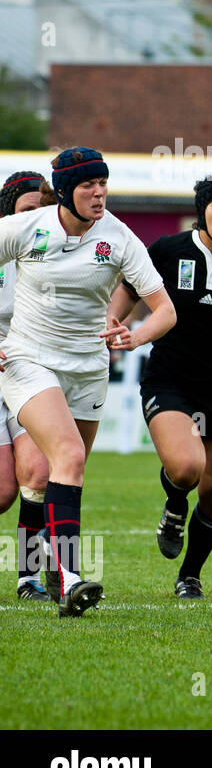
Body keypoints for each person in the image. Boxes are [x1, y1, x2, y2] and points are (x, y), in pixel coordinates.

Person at [0, 147, 176, 617]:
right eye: (87, 186)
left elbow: (165, 311)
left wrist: (134, 336)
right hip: (28, 358)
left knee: (57, 474)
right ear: (63, 192)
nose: (99, 194)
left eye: (103, 184)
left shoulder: (119, 237)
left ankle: (46, 568)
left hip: (90, 367)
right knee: (66, 457)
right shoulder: (23, 228)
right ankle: (72, 574)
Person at [108, 174, 212, 600]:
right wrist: (112, 324)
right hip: (170, 379)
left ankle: (190, 575)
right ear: (203, 209)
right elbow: (129, 290)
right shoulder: (168, 250)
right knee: (186, 467)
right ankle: (173, 506)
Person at [0, 172, 54, 600]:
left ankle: (27, 576)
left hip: (29, 371)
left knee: (37, 472)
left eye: (42, 211)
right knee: (2, 492)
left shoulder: (53, 255)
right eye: (26, 212)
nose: (35, 220)